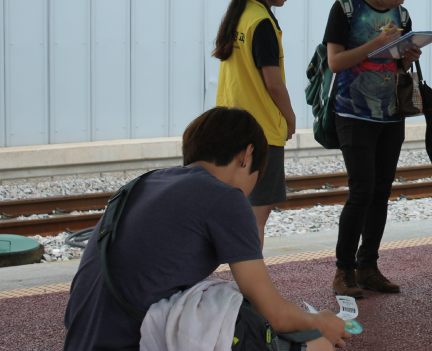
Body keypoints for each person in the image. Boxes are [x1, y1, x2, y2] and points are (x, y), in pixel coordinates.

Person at [63, 107, 348, 351]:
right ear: (246, 155)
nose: (250, 191)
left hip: (81, 340)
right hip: (130, 342)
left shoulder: (145, 183)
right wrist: (318, 321)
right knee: (316, 343)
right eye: (256, 178)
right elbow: (273, 313)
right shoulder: (224, 196)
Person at [323, 0, 422, 298]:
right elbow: (335, 62)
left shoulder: (403, 15)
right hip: (352, 113)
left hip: (390, 113)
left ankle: (369, 266)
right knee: (361, 191)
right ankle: (343, 271)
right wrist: (375, 44)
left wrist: (406, 58)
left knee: (381, 192)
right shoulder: (346, 8)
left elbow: (397, 69)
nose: (401, 0)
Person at [214, 0, 295, 246]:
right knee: (256, 216)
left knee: (239, 211)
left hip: (230, 126)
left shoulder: (240, 15)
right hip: (260, 131)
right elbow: (273, 83)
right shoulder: (262, 22)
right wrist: (290, 117)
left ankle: (243, 283)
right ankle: (250, 286)